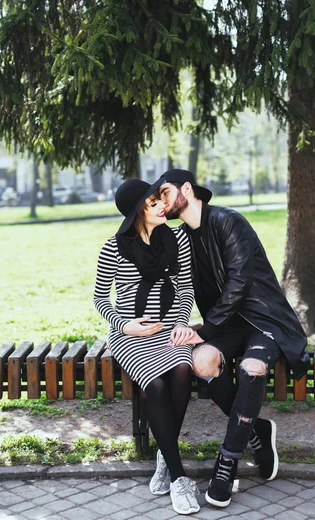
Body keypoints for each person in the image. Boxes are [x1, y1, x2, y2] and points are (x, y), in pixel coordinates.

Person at [158, 169, 310, 509]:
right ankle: (256, 431)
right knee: (200, 360)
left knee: (252, 367)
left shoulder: (228, 221)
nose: (162, 201)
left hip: (263, 319)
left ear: (187, 189)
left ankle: (227, 462)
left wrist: (206, 329)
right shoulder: (181, 237)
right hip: (227, 324)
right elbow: (167, 277)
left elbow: (239, 282)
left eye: (165, 192)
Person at [93, 177, 200, 515]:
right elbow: (99, 299)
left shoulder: (177, 239)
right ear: (139, 210)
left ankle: (165, 456)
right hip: (130, 335)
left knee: (183, 370)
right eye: (154, 201)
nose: (162, 205)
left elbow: (185, 289)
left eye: (160, 200)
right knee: (154, 384)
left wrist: (182, 322)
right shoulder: (114, 246)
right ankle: (179, 478)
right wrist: (125, 325)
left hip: (170, 330)